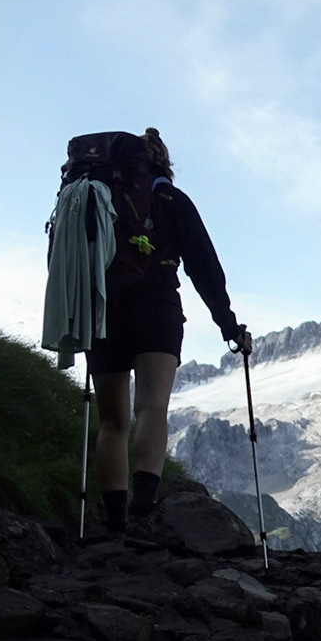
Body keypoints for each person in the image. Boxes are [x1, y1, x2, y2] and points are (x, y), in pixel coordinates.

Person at [87, 127, 251, 535]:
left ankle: (114, 523)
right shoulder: (170, 200)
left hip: (101, 310)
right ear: (163, 163)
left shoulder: (94, 197)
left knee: (111, 422)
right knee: (150, 409)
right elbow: (204, 268)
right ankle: (143, 515)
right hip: (156, 310)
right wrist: (229, 326)